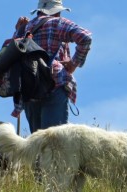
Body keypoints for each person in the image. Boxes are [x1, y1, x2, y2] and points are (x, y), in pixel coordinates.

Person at [11, 0, 92, 134]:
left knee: (37, 143)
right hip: (54, 82)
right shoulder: (57, 23)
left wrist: (18, 31)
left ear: (39, 10)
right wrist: (73, 64)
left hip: (29, 89)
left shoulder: (24, 28)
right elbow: (85, 37)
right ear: (57, 11)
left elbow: (13, 54)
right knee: (55, 141)